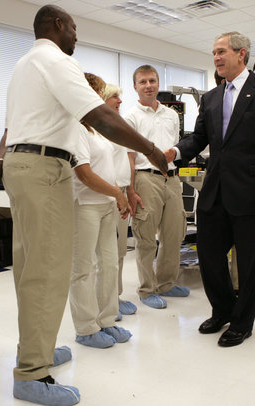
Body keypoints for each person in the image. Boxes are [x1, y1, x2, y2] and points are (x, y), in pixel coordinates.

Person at [0, 5, 167, 406]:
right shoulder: (54, 59)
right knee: (47, 272)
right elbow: (100, 116)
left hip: (28, 163)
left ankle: (37, 350)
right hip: (44, 169)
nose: (77, 36)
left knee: (33, 268)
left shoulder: (23, 64)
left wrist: (5, 164)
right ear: (58, 26)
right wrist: (152, 149)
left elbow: (11, 130)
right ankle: (32, 373)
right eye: (75, 28)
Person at [165, 32, 255, 347]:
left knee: (249, 263)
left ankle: (242, 322)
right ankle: (222, 309)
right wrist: (175, 151)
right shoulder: (211, 97)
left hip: (253, 192)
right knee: (209, 256)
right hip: (215, 191)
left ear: (242, 54)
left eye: (221, 51)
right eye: (213, 53)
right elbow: (198, 139)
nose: (216, 58)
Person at [69, 73, 132, 349]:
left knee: (109, 264)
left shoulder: (97, 129)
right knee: (84, 269)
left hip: (106, 205)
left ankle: (107, 320)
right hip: (85, 205)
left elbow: (108, 168)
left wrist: (120, 194)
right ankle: (86, 327)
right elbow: (83, 173)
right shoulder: (76, 129)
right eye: (98, 93)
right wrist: (117, 193)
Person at [125, 65, 189, 310]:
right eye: (143, 82)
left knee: (174, 234)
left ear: (158, 83)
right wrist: (130, 190)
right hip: (145, 178)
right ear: (135, 87)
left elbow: (175, 147)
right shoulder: (131, 117)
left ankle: (166, 283)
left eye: (152, 80)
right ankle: (147, 289)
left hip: (171, 178)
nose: (148, 85)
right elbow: (129, 157)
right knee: (145, 238)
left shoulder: (171, 115)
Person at [102, 83, 137, 317]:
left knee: (120, 250)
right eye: (115, 96)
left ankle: (116, 295)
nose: (120, 100)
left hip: (122, 193)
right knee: (106, 253)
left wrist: (129, 192)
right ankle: (105, 301)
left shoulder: (117, 126)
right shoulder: (98, 129)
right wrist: (116, 194)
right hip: (107, 194)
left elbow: (127, 160)